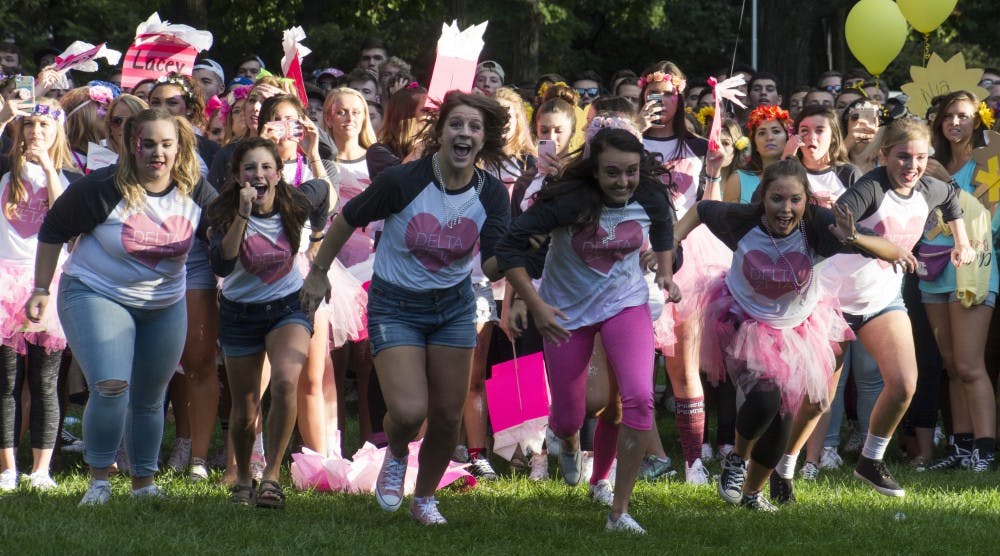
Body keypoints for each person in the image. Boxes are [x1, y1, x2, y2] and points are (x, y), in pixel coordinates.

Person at [300, 91, 510, 525]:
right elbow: (348, 217)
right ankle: (396, 451)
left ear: (484, 138)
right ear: (442, 131)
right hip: (395, 304)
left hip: (453, 306)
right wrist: (319, 272)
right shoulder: (404, 180)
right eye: (456, 124)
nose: (465, 133)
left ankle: (425, 498)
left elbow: (491, 261)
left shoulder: (491, 193)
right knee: (412, 411)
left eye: (474, 127)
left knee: (448, 416)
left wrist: (521, 252)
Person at [677, 159, 914, 511]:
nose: (785, 209)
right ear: (762, 200)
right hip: (743, 320)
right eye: (777, 199)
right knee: (764, 399)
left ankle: (753, 495)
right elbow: (699, 208)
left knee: (782, 423)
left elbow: (892, 251)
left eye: (794, 200)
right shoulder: (740, 220)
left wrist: (853, 237)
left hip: (797, 328)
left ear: (806, 202)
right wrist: (672, 245)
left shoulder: (818, 226)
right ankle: (736, 462)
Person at [772, 118, 976, 502]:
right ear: (884, 155)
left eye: (920, 157)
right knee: (818, 399)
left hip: (882, 301)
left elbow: (952, 200)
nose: (911, 166)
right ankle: (784, 467)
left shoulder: (931, 187)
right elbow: (838, 223)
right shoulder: (871, 187)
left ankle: (870, 459)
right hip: (831, 300)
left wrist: (961, 241)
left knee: (903, 384)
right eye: (902, 157)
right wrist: (856, 235)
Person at [26, 108, 216, 505]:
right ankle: (98, 482)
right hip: (95, 292)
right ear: (133, 146)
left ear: (179, 148)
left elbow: (226, 240)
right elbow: (53, 229)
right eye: (148, 144)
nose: (157, 154)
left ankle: (143, 484)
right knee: (111, 385)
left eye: (166, 145)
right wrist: (41, 287)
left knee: (150, 395)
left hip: (163, 303)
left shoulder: (196, 190)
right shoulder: (104, 186)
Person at [497, 126, 679, 534]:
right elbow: (510, 248)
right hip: (566, 313)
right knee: (570, 415)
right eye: (612, 172)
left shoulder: (648, 194)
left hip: (625, 304)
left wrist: (665, 272)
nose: (623, 182)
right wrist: (535, 302)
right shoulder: (567, 201)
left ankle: (618, 509)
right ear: (594, 172)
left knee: (639, 400)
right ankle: (566, 437)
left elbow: (664, 226)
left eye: (631, 172)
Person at [205, 137, 330, 508]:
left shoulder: (296, 201)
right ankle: (244, 476)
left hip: (288, 307)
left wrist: (317, 245)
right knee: (244, 409)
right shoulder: (221, 211)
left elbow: (324, 190)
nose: (258, 175)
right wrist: (243, 214)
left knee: (286, 382)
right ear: (236, 175)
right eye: (249, 168)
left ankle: (273, 476)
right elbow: (223, 265)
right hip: (240, 312)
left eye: (265, 168)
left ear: (277, 173)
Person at [640, 60, 725, 484]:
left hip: (686, 259)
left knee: (683, 367)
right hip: (633, 256)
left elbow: (706, 206)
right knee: (633, 369)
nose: (660, 101)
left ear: (681, 97)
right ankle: (647, 455)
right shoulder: (627, 140)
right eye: (652, 92)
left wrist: (715, 169)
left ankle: (693, 462)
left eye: (668, 93)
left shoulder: (696, 146)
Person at [0, 98, 78, 491]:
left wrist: (48, 167)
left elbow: (64, 215)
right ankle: (8, 467)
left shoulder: (69, 177)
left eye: (45, 125)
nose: (36, 131)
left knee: (45, 381)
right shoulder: (4, 169)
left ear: (59, 133)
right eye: (29, 123)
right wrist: (5, 114)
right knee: (6, 382)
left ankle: (41, 469)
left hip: (46, 284)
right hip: (4, 283)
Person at [919, 90, 997, 472]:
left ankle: (985, 448)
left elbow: (989, 220)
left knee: (970, 364)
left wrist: (947, 184)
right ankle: (960, 446)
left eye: (963, 115)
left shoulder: (989, 162)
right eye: (948, 115)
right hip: (932, 270)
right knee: (950, 364)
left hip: (975, 267)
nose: (955, 122)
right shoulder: (927, 162)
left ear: (978, 120)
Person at [724, 105, 791, 204]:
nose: (769, 137)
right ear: (754, 143)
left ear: (787, 138)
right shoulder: (738, 180)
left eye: (776, 131)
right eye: (762, 133)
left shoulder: (800, 177)